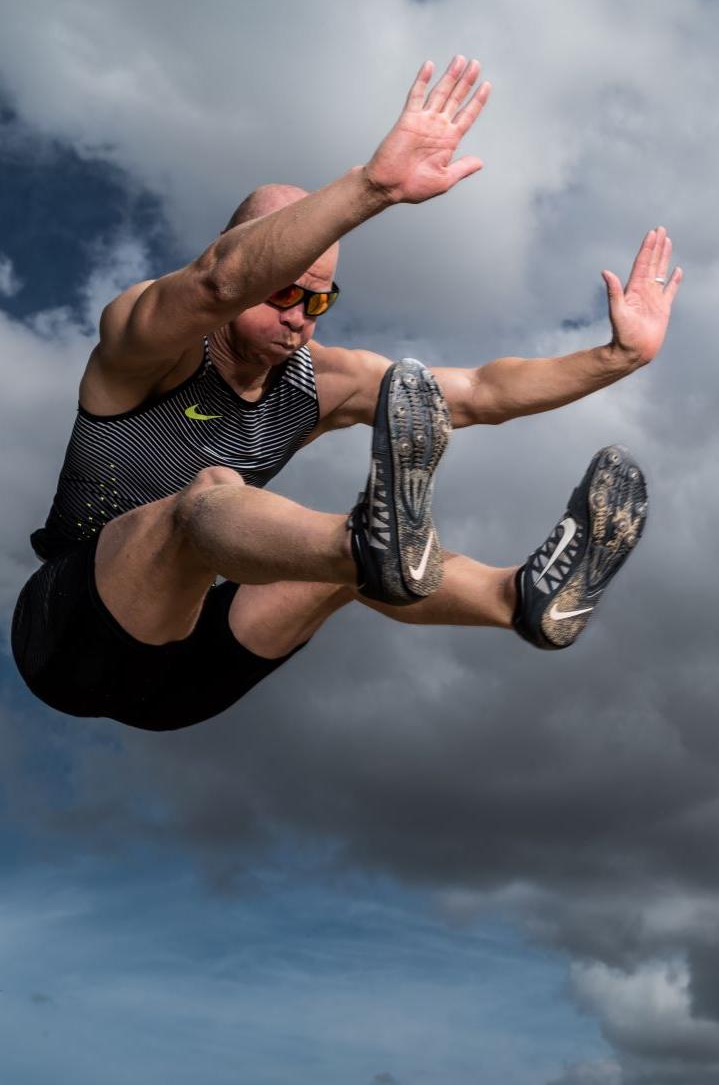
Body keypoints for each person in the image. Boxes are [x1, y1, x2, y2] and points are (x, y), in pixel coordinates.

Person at [11, 56, 682, 731]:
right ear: (241, 261)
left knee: (345, 567)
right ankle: (367, 543)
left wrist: (617, 356)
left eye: (319, 297)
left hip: (187, 676)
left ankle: (519, 598)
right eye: (280, 290)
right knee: (210, 498)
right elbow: (217, 284)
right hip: (67, 636)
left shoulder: (319, 382)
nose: (300, 314)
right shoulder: (146, 346)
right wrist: (373, 186)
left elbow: (481, 391)